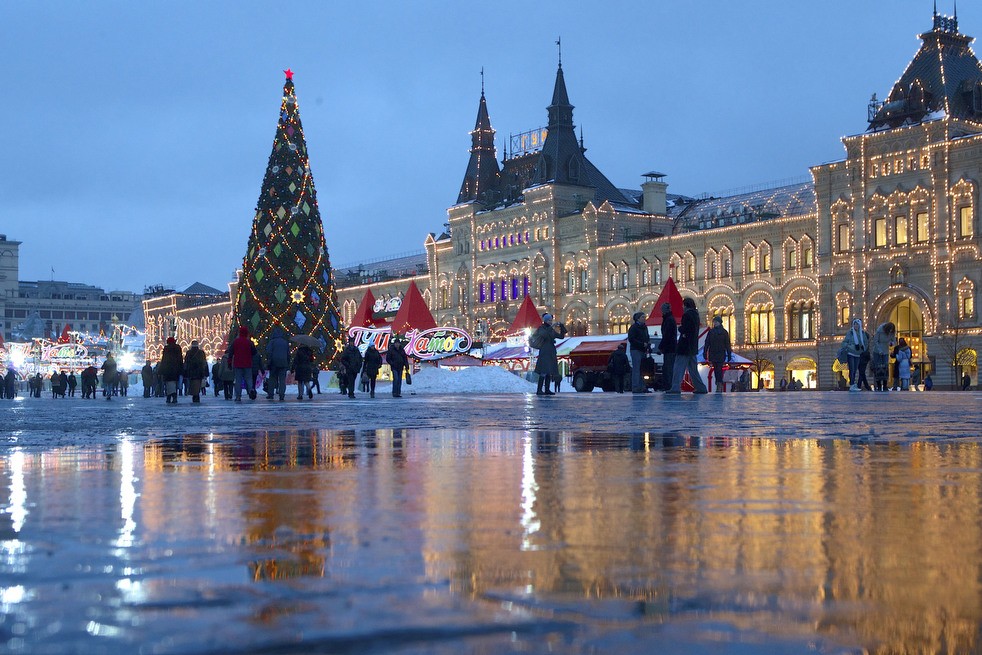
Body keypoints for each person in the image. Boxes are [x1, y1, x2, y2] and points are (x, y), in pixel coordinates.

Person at [667, 298, 708, 394]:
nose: (682, 307)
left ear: (686, 305)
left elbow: (685, 329)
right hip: (693, 346)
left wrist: (680, 328)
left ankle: (675, 387)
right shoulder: (696, 315)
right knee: (693, 369)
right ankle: (701, 388)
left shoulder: (687, 315)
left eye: (683, 305)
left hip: (684, 346)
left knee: (678, 367)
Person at [531, 313, 567, 396]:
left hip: (551, 351)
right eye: (549, 320)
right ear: (546, 320)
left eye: (551, 320)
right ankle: (539, 390)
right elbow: (544, 335)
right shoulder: (542, 328)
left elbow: (560, 337)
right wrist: (552, 327)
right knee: (544, 370)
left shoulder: (550, 329)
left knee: (549, 371)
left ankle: (547, 389)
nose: (551, 322)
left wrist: (561, 327)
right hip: (544, 351)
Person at [702, 315, 732, 393]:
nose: (714, 323)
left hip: (720, 353)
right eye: (714, 322)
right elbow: (707, 343)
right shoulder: (712, 332)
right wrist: (705, 352)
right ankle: (719, 382)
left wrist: (729, 354)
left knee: (718, 369)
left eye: (716, 322)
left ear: (719, 322)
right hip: (714, 353)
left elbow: (727, 344)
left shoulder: (723, 332)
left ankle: (719, 383)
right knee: (716, 369)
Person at [227, 326, 258, 401]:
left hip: (237, 364)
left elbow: (230, 352)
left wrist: (229, 362)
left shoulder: (236, 341)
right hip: (248, 363)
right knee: (249, 379)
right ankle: (251, 390)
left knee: (238, 380)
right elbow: (254, 352)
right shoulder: (249, 342)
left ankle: (238, 396)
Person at [839, 318, 870, 392]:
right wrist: (851, 347)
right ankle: (852, 384)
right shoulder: (850, 333)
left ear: (860, 325)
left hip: (858, 354)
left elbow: (865, 343)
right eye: (855, 324)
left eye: (857, 324)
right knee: (852, 369)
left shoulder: (862, 333)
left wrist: (863, 348)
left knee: (855, 369)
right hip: (851, 353)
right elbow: (844, 343)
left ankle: (853, 384)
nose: (856, 326)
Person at [627, 311, 651, 393]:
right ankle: (635, 387)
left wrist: (647, 344)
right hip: (636, 350)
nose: (644, 319)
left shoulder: (645, 327)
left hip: (643, 350)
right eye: (643, 317)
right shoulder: (633, 327)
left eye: (645, 317)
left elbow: (647, 337)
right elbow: (631, 339)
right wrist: (642, 344)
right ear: (638, 318)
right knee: (636, 369)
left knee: (642, 369)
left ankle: (642, 386)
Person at [656, 302, 677, 391]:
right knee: (668, 367)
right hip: (670, 347)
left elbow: (667, 335)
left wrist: (660, 347)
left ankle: (669, 386)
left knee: (668, 368)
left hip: (670, 348)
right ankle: (668, 386)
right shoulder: (669, 319)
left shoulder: (669, 320)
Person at [265, 327, 290, 401]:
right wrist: (287, 362)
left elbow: (269, 352)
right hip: (283, 363)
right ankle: (281, 395)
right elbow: (288, 354)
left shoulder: (272, 342)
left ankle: (271, 394)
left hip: (274, 363)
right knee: (282, 380)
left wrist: (269, 361)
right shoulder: (285, 342)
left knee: (272, 379)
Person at [870, 322, 896, 392]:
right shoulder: (880, 330)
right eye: (889, 330)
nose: (890, 332)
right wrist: (879, 350)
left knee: (885, 368)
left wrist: (892, 343)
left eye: (891, 330)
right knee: (877, 368)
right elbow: (875, 341)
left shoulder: (892, 332)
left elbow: (894, 340)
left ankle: (885, 385)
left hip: (885, 351)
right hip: (877, 351)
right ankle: (878, 385)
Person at [159, 337, 184, 404]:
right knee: (175, 384)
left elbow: (164, 360)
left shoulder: (166, 348)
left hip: (167, 370)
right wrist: (181, 368)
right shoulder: (178, 348)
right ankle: (175, 397)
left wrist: (161, 370)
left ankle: (169, 397)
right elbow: (180, 359)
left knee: (168, 385)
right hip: (176, 370)